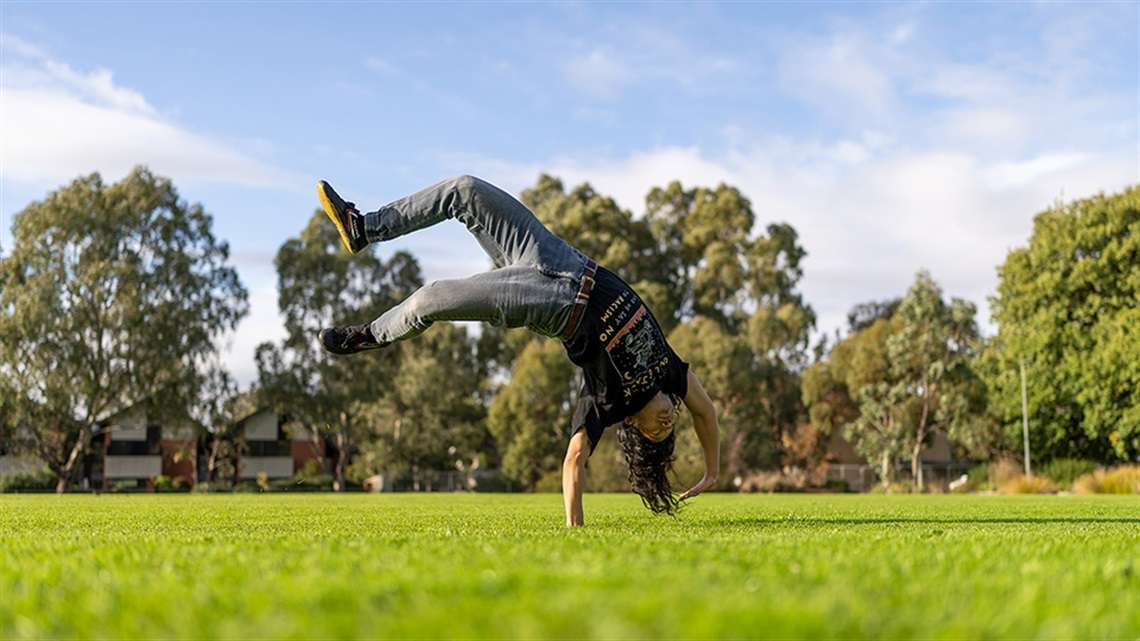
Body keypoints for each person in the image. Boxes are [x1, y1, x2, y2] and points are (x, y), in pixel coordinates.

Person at [316, 175, 719, 526]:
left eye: (657, 429)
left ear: (632, 426)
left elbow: (573, 462)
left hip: (549, 302)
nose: (666, 418)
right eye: (670, 424)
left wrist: (575, 531)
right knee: (464, 189)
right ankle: (363, 228)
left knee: (431, 300)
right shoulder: (670, 371)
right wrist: (711, 472)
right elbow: (706, 412)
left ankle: (370, 334)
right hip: (562, 258)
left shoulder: (608, 401)